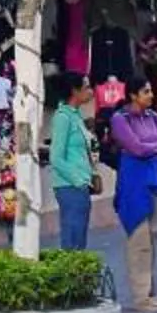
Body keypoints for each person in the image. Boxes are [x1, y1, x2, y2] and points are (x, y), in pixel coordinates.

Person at [107, 78, 157, 313]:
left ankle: (151, 291)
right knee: (139, 239)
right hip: (134, 183)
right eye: (146, 91)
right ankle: (141, 296)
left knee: (153, 236)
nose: (151, 95)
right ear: (133, 95)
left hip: (155, 179)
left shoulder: (154, 117)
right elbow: (135, 148)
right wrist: (156, 148)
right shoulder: (120, 119)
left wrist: (150, 149)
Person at [43, 74, 97, 251]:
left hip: (81, 184)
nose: (91, 91)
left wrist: (91, 174)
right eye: (86, 87)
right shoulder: (63, 117)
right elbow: (56, 157)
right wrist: (77, 180)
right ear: (75, 91)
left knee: (80, 238)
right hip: (70, 185)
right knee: (72, 238)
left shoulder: (76, 116)